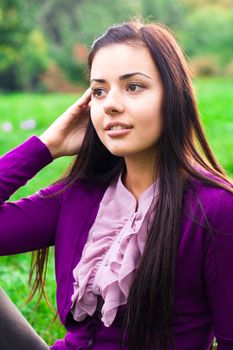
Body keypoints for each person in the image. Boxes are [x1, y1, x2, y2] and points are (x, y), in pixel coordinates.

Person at [0, 19, 233, 350]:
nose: (110, 103)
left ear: (174, 96)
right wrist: (46, 146)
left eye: (133, 86)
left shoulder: (216, 209)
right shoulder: (80, 195)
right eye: (99, 91)